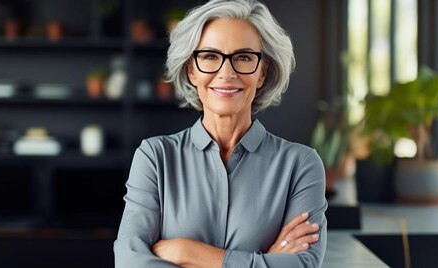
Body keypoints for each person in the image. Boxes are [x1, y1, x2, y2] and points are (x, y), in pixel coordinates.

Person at [114, 0, 327, 267]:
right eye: (210, 56)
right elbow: (129, 260)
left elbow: (304, 265)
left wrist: (186, 252)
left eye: (244, 57)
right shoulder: (155, 157)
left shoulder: (301, 165)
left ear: (262, 72)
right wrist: (265, 261)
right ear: (191, 70)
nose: (226, 73)